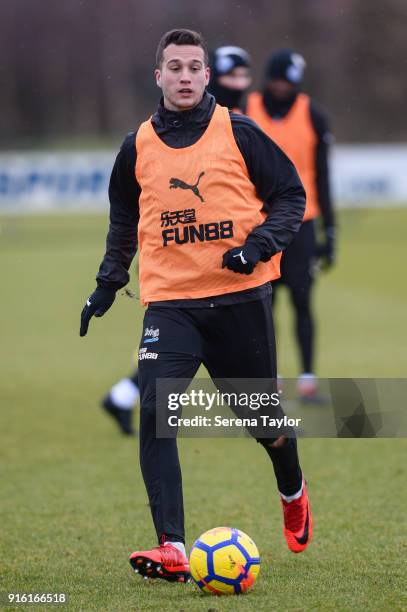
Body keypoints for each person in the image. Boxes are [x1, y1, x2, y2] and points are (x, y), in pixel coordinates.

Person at [80, 29, 312, 583]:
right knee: (157, 418)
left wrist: (256, 247)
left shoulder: (239, 131)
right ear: (157, 76)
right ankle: (173, 546)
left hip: (239, 301)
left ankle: (293, 487)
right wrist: (108, 283)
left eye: (194, 67)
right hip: (171, 308)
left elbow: (291, 197)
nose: (184, 77)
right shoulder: (135, 146)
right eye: (174, 67)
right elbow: (122, 220)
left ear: (207, 76)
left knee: (266, 426)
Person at [100, 44, 253, 437]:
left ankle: (122, 393)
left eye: (243, 75)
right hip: (206, 259)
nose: (240, 82)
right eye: (232, 75)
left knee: (181, 347)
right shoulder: (215, 124)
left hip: (250, 245)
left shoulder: (237, 122)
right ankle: (125, 393)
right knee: (184, 342)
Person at [246, 49, 336, 401]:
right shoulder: (244, 110)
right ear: (268, 79)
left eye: (291, 82)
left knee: (302, 299)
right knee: (262, 306)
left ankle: (309, 379)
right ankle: (272, 380)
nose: (284, 87)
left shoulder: (313, 114)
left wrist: (331, 231)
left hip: (303, 223)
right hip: (258, 223)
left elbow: (324, 177)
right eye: (279, 80)